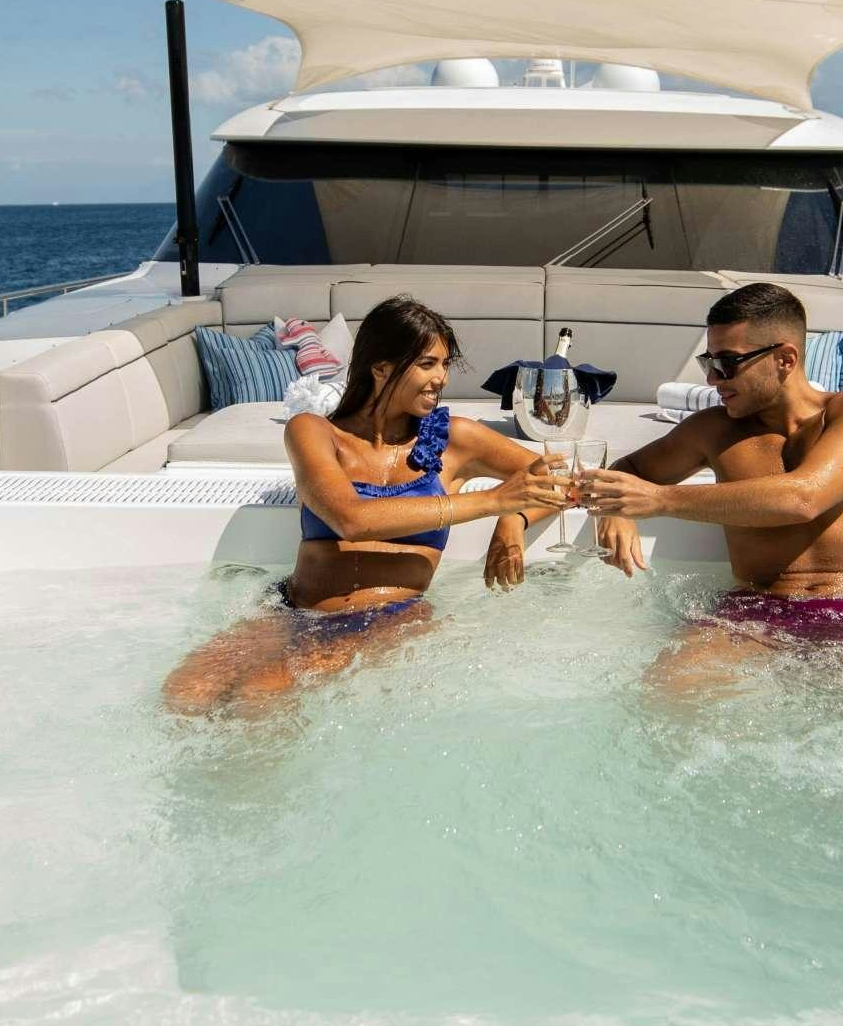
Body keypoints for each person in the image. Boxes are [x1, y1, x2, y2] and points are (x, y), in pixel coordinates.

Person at [163, 296, 568, 714]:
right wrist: (495, 500)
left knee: (261, 692)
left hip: (391, 617)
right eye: (427, 364)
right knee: (183, 693)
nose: (441, 378)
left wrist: (513, 519)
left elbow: (562, 482)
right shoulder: (314, 432)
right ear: (380, 368)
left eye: (444, 365)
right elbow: (349, 519)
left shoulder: (456, 439)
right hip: (291, 610)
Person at [573, 281, 843, 695]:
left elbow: (803, 497)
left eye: (729, 362)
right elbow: (629, 470)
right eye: (709, 362)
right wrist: (616, 511)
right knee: (665, 692)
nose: (715, 379)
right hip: (753, 611)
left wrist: (658, 500)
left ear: (785, 359)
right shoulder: (713, 430)